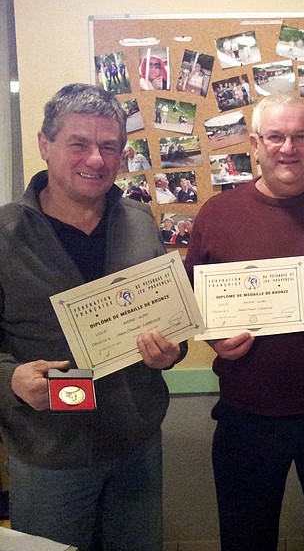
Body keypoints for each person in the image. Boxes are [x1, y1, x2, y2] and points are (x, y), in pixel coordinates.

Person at [184, 94, 304, 551]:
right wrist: (214, 338)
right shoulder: (217, 213)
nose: (287, 147)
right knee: (245, 541)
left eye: (300, 137)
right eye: (275, 136)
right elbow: (194, 299)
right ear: (255, 144)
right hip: (247, 413)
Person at [0, 83, 185, 549]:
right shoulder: (4, 235)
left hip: (135, 443)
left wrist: (171, 353)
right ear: (45, 144)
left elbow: (172, 325)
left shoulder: (141, 222)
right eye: (78, 143)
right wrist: (12, 380)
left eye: (109, 146)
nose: (96, 159)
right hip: (49, 453)